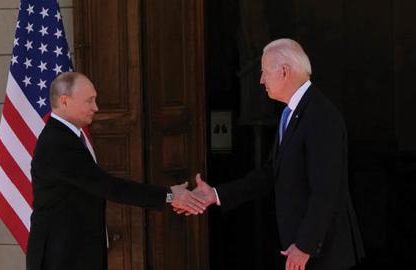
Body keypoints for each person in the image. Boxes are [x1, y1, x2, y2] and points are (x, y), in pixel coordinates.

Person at [190, 39, 364, 270]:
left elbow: (326, 189)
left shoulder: (321, 116)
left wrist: (304, 246)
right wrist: (216, 194)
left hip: (323, 254)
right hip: (302, 250)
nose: (261, 80)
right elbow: (271, 173)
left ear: (284, 71)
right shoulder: (291, 113)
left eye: (264, 72)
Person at [26, 72, 205, 270]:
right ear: (65, 101)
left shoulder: (66, 136)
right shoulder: (58, 143)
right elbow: (108, 187)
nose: (96, 107)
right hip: (60, 257)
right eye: (89, 101)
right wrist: (170, 195)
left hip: (74, 252)